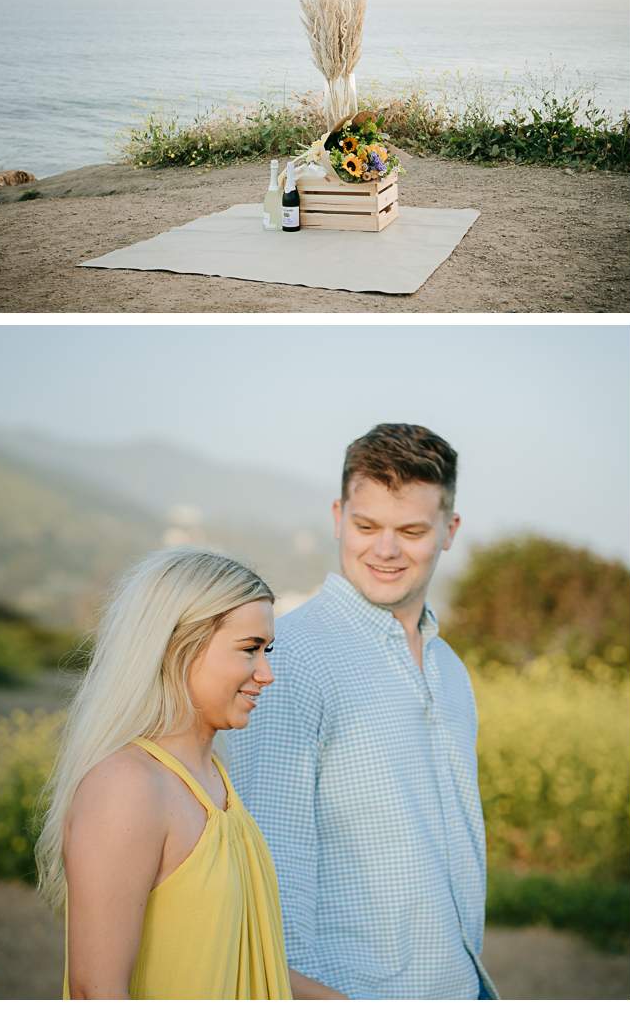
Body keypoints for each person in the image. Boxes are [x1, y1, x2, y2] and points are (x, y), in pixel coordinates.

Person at [226, 424, 500, 1000]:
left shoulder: (451, 669)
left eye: (412, 530)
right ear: (336, 516)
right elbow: (271, 868)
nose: (384, 550)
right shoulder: (289, 658)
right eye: (366, 525)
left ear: (449, 531)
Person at [35, 546, 292, 1000]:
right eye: (250, 649)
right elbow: (96, 993)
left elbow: (238, 959)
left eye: (266, 649)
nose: (266, 673)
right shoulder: (128, 788)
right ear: (178, 649)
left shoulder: (214, 777)